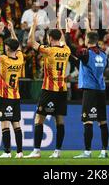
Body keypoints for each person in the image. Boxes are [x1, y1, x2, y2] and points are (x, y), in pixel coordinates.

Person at [25, 14, 71, 159]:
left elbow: (30, 42)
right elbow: (62, 40)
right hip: (62, 90)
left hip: (49, 90)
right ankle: (58, 151)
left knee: (39, 119)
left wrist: (33, 25)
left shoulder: (48, 50)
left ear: (50, 39)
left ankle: (37, 151)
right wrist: (58, 25)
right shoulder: (66, 50)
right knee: (60, 120)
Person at [65, 20, 109, 159]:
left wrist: (67, 30)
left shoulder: (86, 53)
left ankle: (88, 152)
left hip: (89, 91)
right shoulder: (103, 54)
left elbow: (70, 47)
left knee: (88, 121)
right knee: (102, 121)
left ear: (87, 40)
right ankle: (104, 152)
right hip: (101, 90)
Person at [0, 21, 24, 158]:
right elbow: (18, 46)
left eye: (5, 46)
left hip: (4, 97)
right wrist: (12, 31)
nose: (3, 48)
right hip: (16, 96)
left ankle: (7, 152)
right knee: (16, 124)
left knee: (4, 123)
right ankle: (20, 152)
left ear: (8, 49)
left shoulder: (4, 59)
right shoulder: (20, 58)